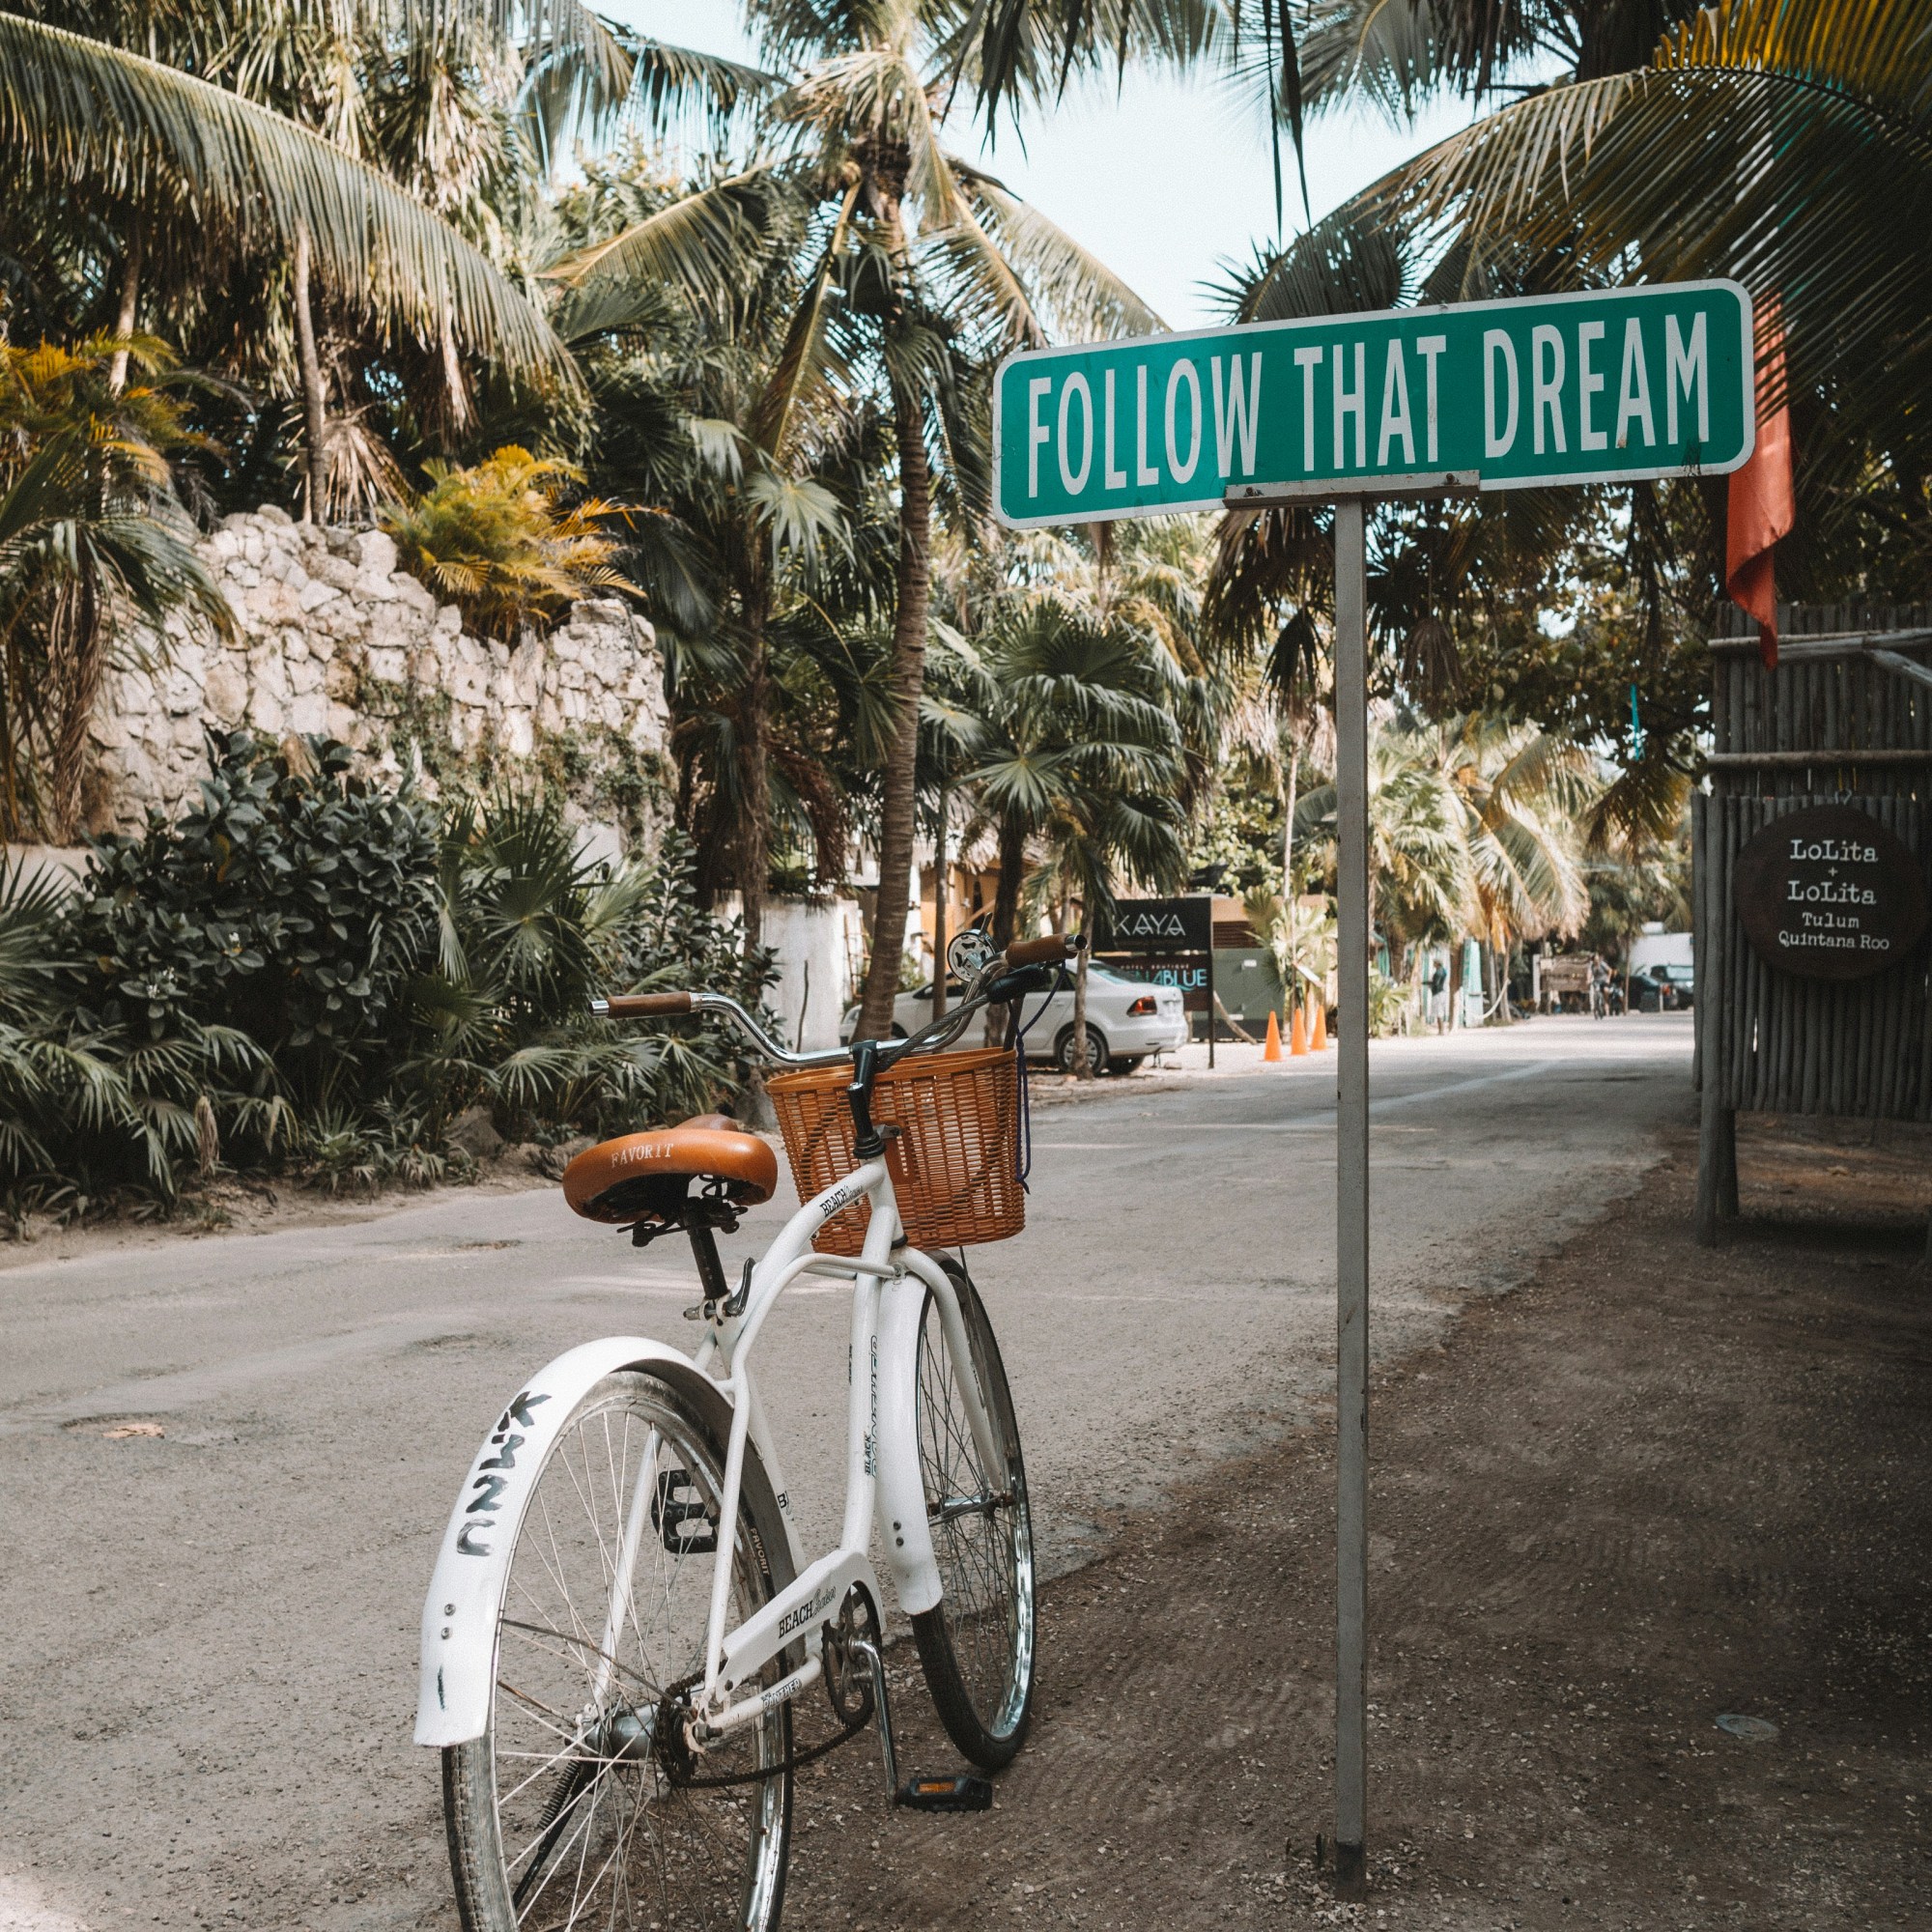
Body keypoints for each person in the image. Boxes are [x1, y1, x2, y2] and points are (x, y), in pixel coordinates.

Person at [1428, 958, 1449, 1035]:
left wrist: (1428, 984)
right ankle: (1441, 1030)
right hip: (1442, 993)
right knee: (1440, 1011)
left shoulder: (1438, 972)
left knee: (1438, 1012)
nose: (1433, 964)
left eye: (1434, 963)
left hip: (1438, 993)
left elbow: (1435, 983)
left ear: (1437, 964)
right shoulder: (1443, 971)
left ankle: (1441, 1030)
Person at [1588, 953, 1610, 1019]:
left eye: (1597, 959)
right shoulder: (1592, 966)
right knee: (1596, 993)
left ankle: (1606, 1002)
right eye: (1595, 959)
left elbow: (1610, 970)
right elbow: (1589, 973)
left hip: (1604, 981)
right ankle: (1596, 1007)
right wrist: (1588, 980)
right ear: (1593, 960)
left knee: (1606, 990)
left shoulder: (1602, 964)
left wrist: (1608, 979)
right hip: (1596, 982)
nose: (1597, 961)